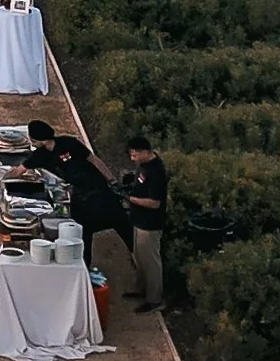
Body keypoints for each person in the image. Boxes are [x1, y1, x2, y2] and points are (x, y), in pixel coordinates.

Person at [19, 120, 131, 263]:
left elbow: (94, 160)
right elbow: (19, 170)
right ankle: (85, 264)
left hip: (97, 188)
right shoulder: (40, 155)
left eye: (32, 139)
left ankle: (138, 255)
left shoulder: (69, 143)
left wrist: (112, 180)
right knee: (83, 231)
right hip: (80, 195)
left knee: (119, 220)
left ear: (39, 139)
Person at [123, 135, 169, 313]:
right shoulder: (144, 166)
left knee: (151, 263)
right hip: (138, 220)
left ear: (144, 152)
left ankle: (154, 299)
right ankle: (140, 288)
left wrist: (130, 199)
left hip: (150, 224)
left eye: (135, 155)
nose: (132, 159)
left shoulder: (156, 172)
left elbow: (155, 203)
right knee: (140, 258)